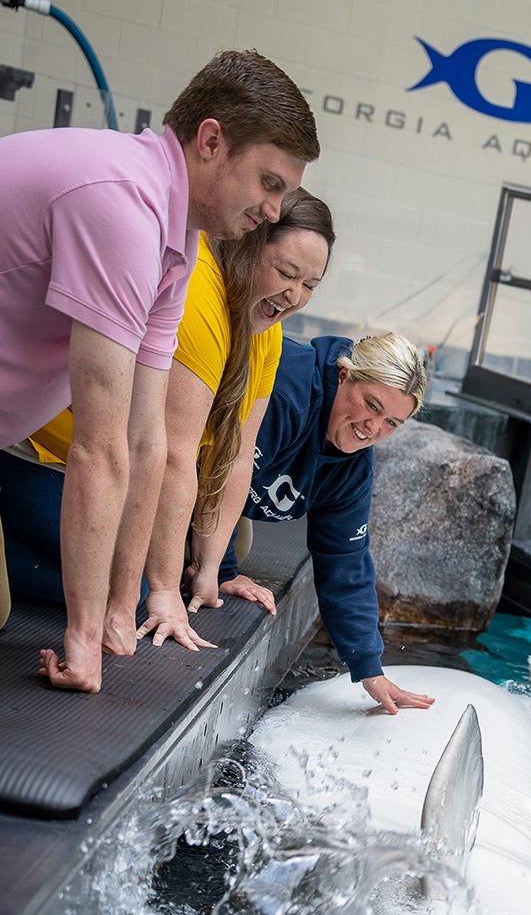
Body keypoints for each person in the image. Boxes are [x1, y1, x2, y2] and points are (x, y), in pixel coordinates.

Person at [0, 48, 319, 693]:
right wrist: (84, 637)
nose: (276, 211)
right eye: (270, 182)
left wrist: (124, 613)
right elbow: (99, 448)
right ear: (210, 142)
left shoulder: (177, 238)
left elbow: (147, 442)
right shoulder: (121, 205)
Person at [2, 188, 333, 651]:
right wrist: (162, 591)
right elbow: (173, 453)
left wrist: (212, 574)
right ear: (248, 245)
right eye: (285, 273)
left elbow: (236, 456)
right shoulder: (200, 297)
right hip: (44, 453)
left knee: (230, 541)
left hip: (119, 466)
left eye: (310, 285)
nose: (293, 295)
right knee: (129, 588)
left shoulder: (265, 328)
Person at [164, 331, 436, 715]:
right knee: (168, 573)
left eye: (391, 421)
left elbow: (344, 559)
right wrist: (221, 569)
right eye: (371, 405)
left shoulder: (353, 466)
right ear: (343, 375)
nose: (372, 428)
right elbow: (213, 470)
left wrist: (368, 668)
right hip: (169, 469)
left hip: (217, 500)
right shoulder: (287, 392)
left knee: (228, 547)